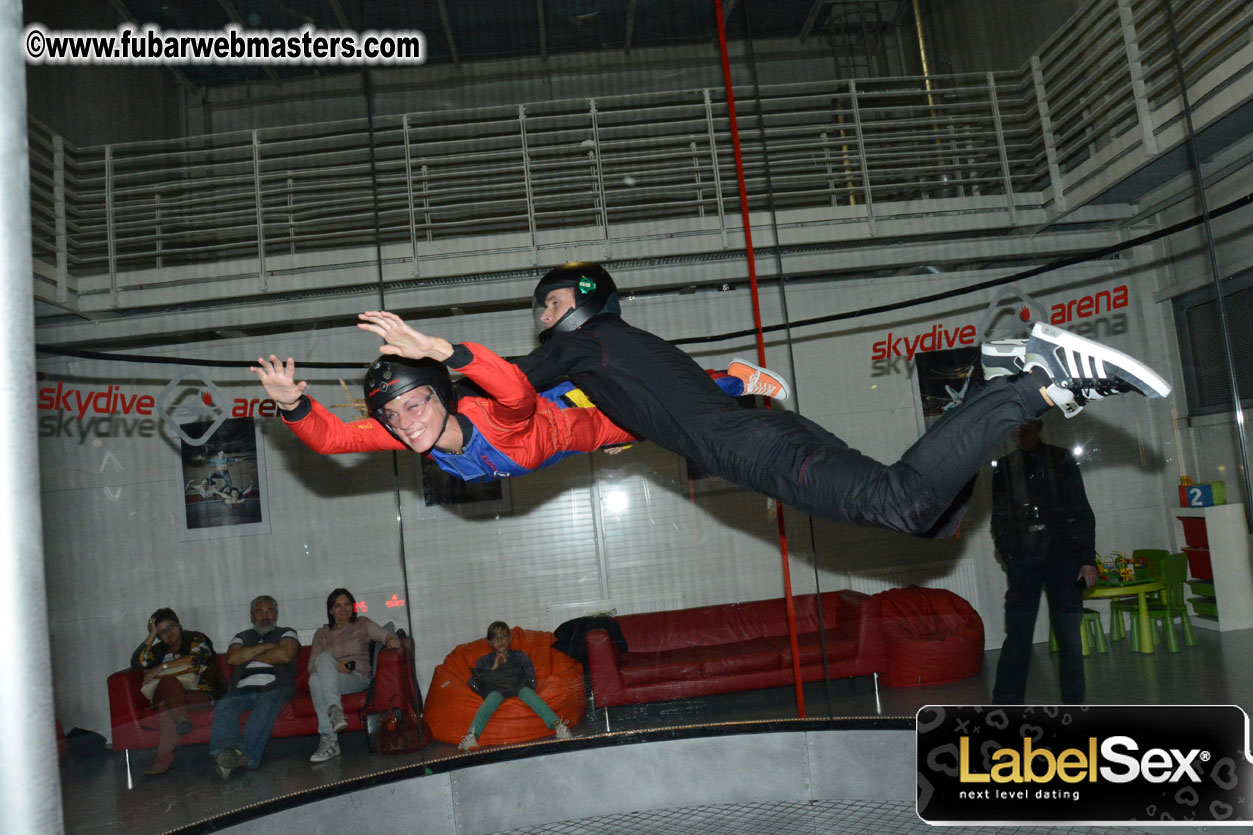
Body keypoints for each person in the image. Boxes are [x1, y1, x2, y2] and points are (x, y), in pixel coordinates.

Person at [514, 262, 1171, 538]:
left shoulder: (588, 343)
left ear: (587, 299)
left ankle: (1036, 380)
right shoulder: (611, 354)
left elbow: (512, 381)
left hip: (752, 447)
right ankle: (1000, 382)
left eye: (551, 303)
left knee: (901, 501)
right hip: (762, 437)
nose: (544, 318)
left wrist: (430, 372)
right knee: (927, 518)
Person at [250, 312, 787, 482]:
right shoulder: (415, 436)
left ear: (442, 398)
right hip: (553, 425)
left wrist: (444, 349)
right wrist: (292, 404)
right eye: (391, 416)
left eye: (413, 406)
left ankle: (734, 377)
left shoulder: (489, 414)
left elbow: (512, 389)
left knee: (670, 417)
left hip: (575, 413)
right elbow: (332, 439)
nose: (404, 424)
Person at [989, 420, 1097, 704]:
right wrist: (1009, 554)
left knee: (1069, 639)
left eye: (1028, 428)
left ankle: (1074, 703)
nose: (1022, 433)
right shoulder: (1005, 467)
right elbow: (999, 517)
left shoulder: (1061, 459)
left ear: (1038, 428)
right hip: (1025, 561)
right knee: (1018, 638)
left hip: (1063, 558)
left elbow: (1081, 509)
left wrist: (1087, 560)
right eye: (1018, 429)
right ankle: (1005, 704)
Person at [208, 595, 300, 779]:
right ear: (251, 616)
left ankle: (246, 757)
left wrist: (248, 654)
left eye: (270, 611)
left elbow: (284, 655)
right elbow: (233, 658)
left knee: (266, 703)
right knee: (225, 704)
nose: (265, 616)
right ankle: (228, 751)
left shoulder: (287, 632)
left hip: (275, 686)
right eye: (260, 612)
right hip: (243, 689)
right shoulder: (241, 636)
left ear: (276, 614)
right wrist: (266, 646)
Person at [307, 588, 401, 763]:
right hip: (333, 677)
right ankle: (334, 716)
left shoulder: (361, 624)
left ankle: (330, 738)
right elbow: (312, 666)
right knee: (317, 673)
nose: (344, 610)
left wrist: (390, 639)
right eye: (338, 606)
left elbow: (383, 633)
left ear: (353, 607)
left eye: (347, 605)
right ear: (330, 610)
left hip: (357, 677)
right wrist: (335, 666)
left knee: (318, 676)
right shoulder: (322, 634)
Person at [130, 608, 221, 775]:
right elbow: (137, 662)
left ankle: (162, 761)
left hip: (198, 692)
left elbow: (197, 658)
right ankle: (181, 720)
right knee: (167, 682)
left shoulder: (195, 638)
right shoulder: (158, 650)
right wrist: (151, 635)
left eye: (170, 627)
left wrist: (162, 667)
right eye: (162, 632)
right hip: (164, 690)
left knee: (166, 705)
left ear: (179, 626)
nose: (168, 634)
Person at [459, 621, 570, 751]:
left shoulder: (519, 655)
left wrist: (523, 681)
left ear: (510, 638)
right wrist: (495, 667)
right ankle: (471, 736)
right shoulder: (484, 660)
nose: (500, 640)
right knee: (492, 698)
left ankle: (558, 726)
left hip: (519, 688)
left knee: (528, 693)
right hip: (496, 691)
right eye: (495, 637)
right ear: (489, 642)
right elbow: (481, 680)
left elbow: (530, 676)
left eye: (503, 636)